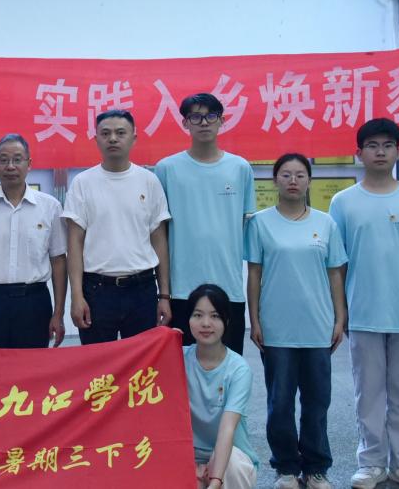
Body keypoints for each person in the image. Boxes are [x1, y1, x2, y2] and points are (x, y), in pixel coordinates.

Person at [327, 119, 399, 489]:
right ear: (359, 153)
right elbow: (337, 264)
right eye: (372, 145)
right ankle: (371, 462)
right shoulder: (343, 202)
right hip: (363, 311)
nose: (380, 152)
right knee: (368, 392)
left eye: (387, 145)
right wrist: (340, 310)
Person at [246, 153, 347, 489]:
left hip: (317, 325)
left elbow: (335, 274)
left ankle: (317, 467)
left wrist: (339, 317)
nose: (293, 180)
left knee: (317, 403)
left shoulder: (325, 223)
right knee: (280, 403)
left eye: (300, 175)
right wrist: (254, 319)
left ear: (309, 181)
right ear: (275, 180)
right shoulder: (260, 223)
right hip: (277, 328)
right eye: (286, 174)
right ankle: (286, 467)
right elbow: (255, 273)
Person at [155, 92, 255, 352]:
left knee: (228, 365)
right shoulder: (166, 169)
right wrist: (163, 292)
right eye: (195, 117)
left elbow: (244, 225)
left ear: (222, 120)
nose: (204, 122)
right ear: (185, 123)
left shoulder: (240, 168)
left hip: (228, 287)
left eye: (211, 116)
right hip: (181, 289)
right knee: (182, 366)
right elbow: (159, 233)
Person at [63, 109, 172, 344]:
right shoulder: (82, 183)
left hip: (142, 289)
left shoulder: (149, 181)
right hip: (97, 291)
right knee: (98, 363)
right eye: (105, 133)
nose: (113, 138)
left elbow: (159, 241)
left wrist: (164, 295)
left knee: (141, 362)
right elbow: (75, 244)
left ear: (134, 138)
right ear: (96, 139)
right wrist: (77, 296)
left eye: (120, 133)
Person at [0, 134, 68, 348]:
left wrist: (58, 313)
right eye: (3, 160)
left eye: (17, 159)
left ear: (29, 164)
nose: (10, 166)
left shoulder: (50, 207)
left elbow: (59, 262)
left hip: (34, 303)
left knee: (33, 365)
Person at [184, 283, 259, 489]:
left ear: (226, 321)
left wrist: (216, 480)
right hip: (188, 457)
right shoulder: (177, 358)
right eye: (198, 315)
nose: (205, 323)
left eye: (215, 316)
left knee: (232, 464)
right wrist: (164, 339)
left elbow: (227, 428)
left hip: (230, 458)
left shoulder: (238, 369)